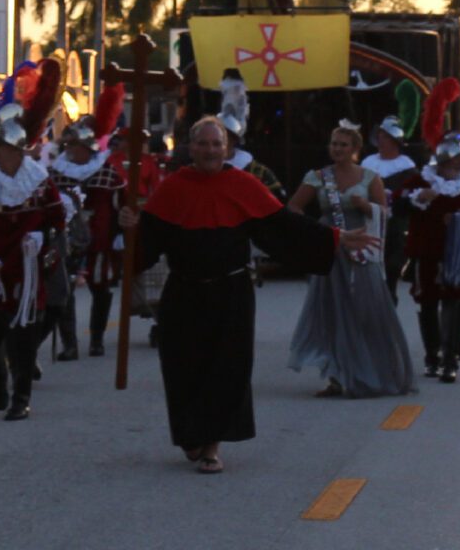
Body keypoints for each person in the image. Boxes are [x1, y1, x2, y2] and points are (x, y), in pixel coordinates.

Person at [121, 116, 375, 473]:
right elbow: (147, 246)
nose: (209, 150)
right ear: (191, 148)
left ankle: (212, 446)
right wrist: (133, 227)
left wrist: (336, 238)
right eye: (203, 144)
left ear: (226, 149)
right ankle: (192, 436)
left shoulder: (244, 184)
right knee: (183, 368)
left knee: (227, 369)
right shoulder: (173, 187)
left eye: (216, 144)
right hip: (184, 294)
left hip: (231, 292)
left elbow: (284, 227)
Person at [286, 121, 415, 397]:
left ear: (355, 149)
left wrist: (366, 207)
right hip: (330, 248)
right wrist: (315, 230)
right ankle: (336, 376)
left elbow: (385, 213)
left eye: (344, 145)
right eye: (334, 144)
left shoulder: (370, 178)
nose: (338, 149)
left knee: (367, 311)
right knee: (332, 311)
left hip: (361, 248)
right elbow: (293, 207)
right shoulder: (318, 177)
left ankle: (375, 370)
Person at [0, 106, 67, 421]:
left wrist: (43, 239)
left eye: (4, 148)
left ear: (17, 151)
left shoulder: (39, 182)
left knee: (23, 333)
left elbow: (57, 220)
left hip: (29, 266)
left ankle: (21, 398)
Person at [405, 137, 460, 383]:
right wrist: (419, 198)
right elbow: (399, 202)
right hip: (427, 252)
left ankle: (450, 358)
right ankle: (432, 355)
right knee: (428, 303)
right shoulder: (421, 181)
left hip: (457, 256)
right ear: (441, 163)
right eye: (453, 160)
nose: (458, 164)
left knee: (454, 302)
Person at [48, 122, 123, 357]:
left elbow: (121, 205)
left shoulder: (107, 172)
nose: (70, 148)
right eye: (68, 144)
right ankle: (69, 344)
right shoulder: (56, 172)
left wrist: (120, 233)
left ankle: (97, 339)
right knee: (63, 291)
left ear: (87, 147)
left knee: (100, 288)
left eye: (75, 144)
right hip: (68, 241)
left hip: (99, 239)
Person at [361, 118, 420, 302]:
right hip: (369, 219)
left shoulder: (406, 167)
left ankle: (390, 294)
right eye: (379, 135)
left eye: (385, 136)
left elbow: (414, 195)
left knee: (393, 263)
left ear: (395, 141)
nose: (380, 139)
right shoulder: (368, 163)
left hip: (397, 221)